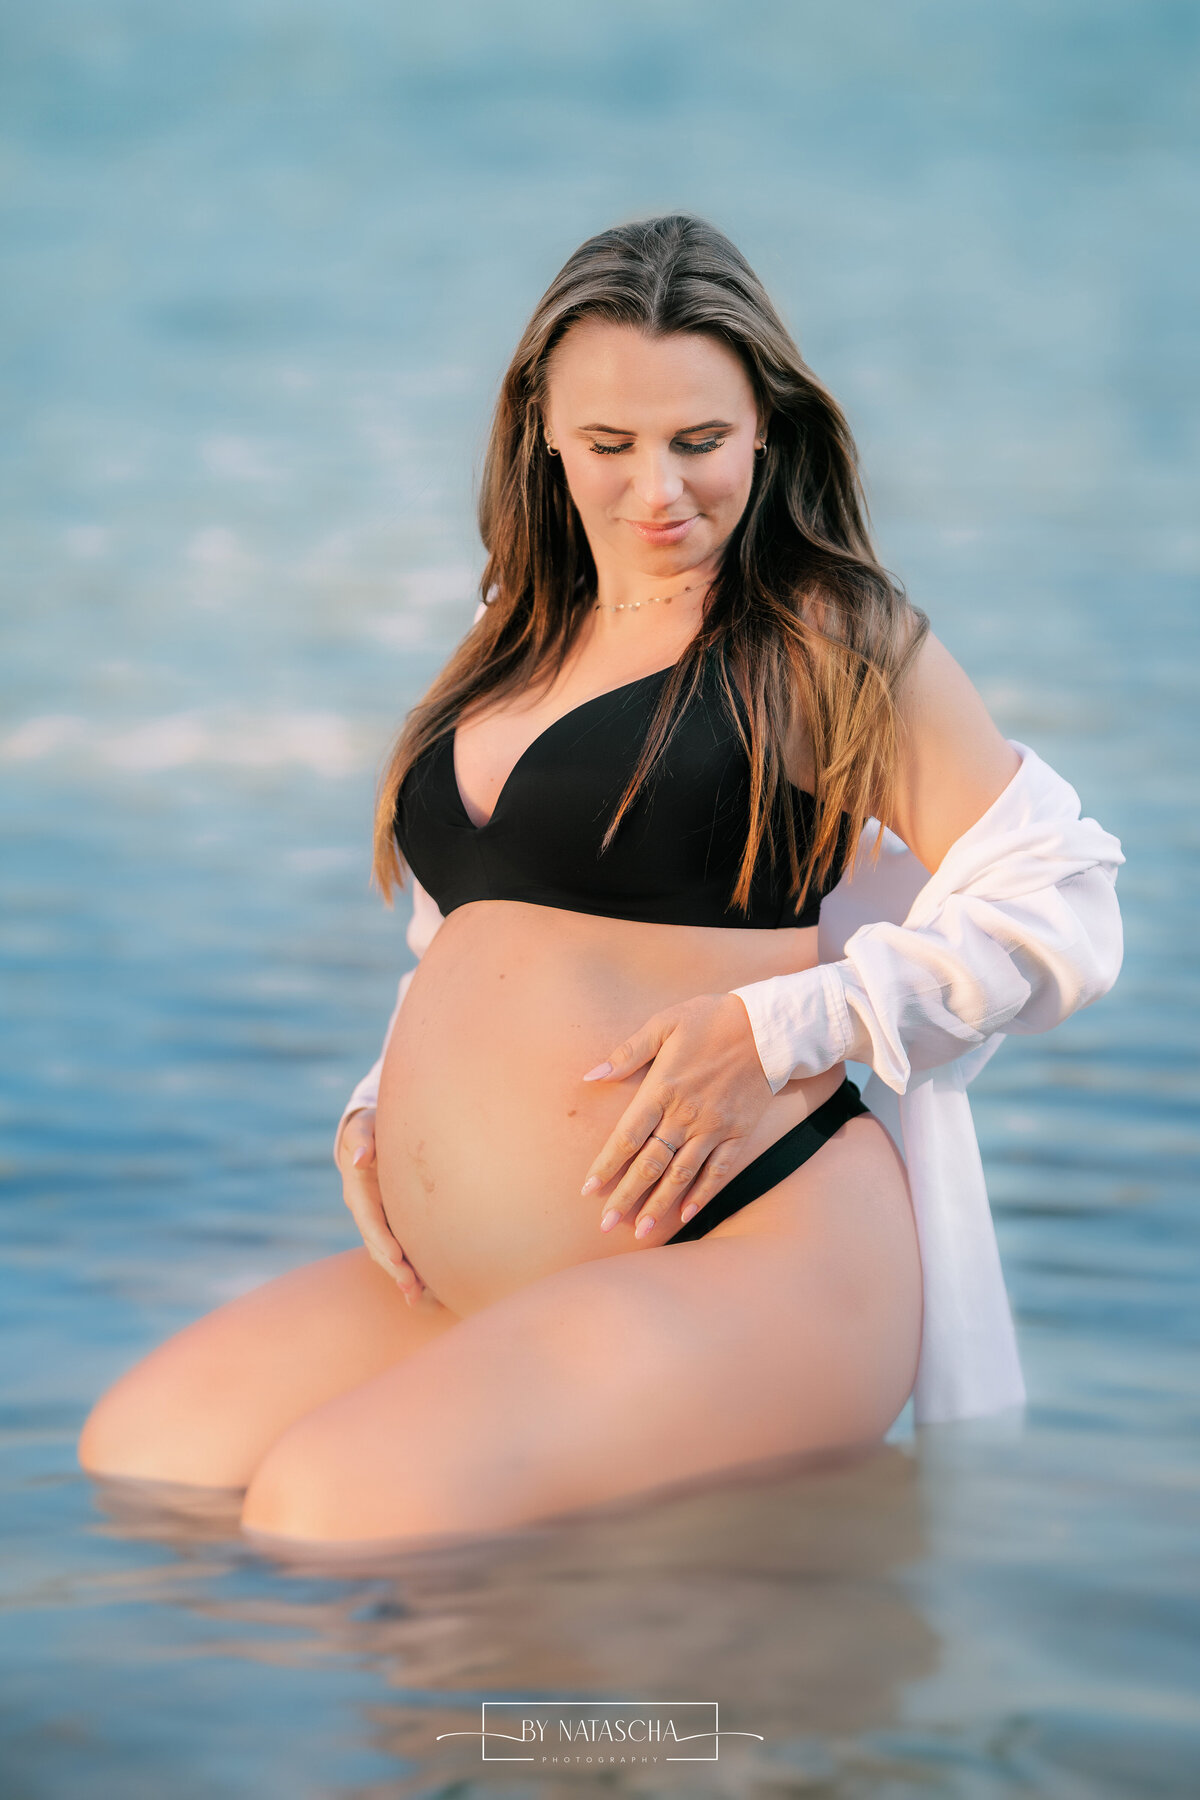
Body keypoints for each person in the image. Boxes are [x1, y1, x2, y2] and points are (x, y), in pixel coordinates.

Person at [77, 215, 1124, 1551]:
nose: (658, 494)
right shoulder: (509, 635)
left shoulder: (825, 637)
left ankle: (663, 1731)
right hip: (496, 1268)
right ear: (543, 437)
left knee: (331, 1515)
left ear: (767, 429)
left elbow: (1064, 904)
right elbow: (461, 938)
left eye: (700, 443)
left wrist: (783, 1028)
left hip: (753, 1244)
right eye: (609, 448)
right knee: (148, 1468)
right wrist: (381, 1111)